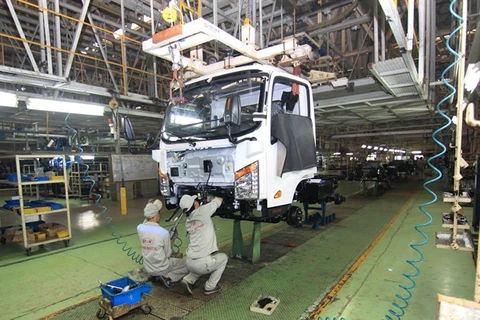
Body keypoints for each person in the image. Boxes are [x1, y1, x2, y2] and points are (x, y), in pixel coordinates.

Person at [179, 194, 228, 295]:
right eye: (196, 201)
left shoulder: (188, 222)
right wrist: (213, 197)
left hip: (189, 261)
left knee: (199, 264)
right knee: (224, 258)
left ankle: (188, 279)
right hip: (202, 264)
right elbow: (219, 199)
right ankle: (210, 287)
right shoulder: (203, 211)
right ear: (195, 205)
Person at [137, 199, 190, 288]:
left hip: (148, 267)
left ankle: (158, 275)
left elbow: (146, 221)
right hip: (162, 267)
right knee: (188, 266)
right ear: (157, 216)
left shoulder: (140, 228)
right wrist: (171, 239)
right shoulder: (163, 232)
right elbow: (168, 254)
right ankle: (168, 277)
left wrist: (153, 206)